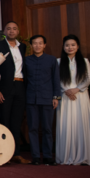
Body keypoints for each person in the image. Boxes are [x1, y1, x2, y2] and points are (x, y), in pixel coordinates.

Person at [56, 35, 90, 165]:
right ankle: (66, 156)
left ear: (78, 46)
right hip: (65, 96)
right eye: (67, 45)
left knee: (81, 123)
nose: (70, 47)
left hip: (80, 96)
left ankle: (84, 155)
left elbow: (88, 78)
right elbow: (56, 79)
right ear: (63, 47)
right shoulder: (58, 61)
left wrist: (76, 89)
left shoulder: (85, 61)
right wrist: (67, 90)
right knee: (65, 124)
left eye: (73, 45)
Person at [0, 21, 30, 164]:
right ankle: (5, 153)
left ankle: (16, 153)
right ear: (4, 31)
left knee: (17, 121)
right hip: (5, 87)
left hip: (20, 86)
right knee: (5, 120)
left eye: (14, 29)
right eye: (8, 29)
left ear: (18, 31)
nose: (11, 31)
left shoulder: (22, 47)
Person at [23, 35, 61, 166]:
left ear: (44, 45)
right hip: (31, 99)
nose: (37, 46)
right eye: (35, 43)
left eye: (40, 43)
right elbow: (24, 80)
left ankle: (48, 156)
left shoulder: (51, 60)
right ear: (31, 46)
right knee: (32, 128)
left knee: (47, 129)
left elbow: (56, 79)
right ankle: (35, 157)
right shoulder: (26, 60)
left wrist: (56, 97)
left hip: (47, 98)